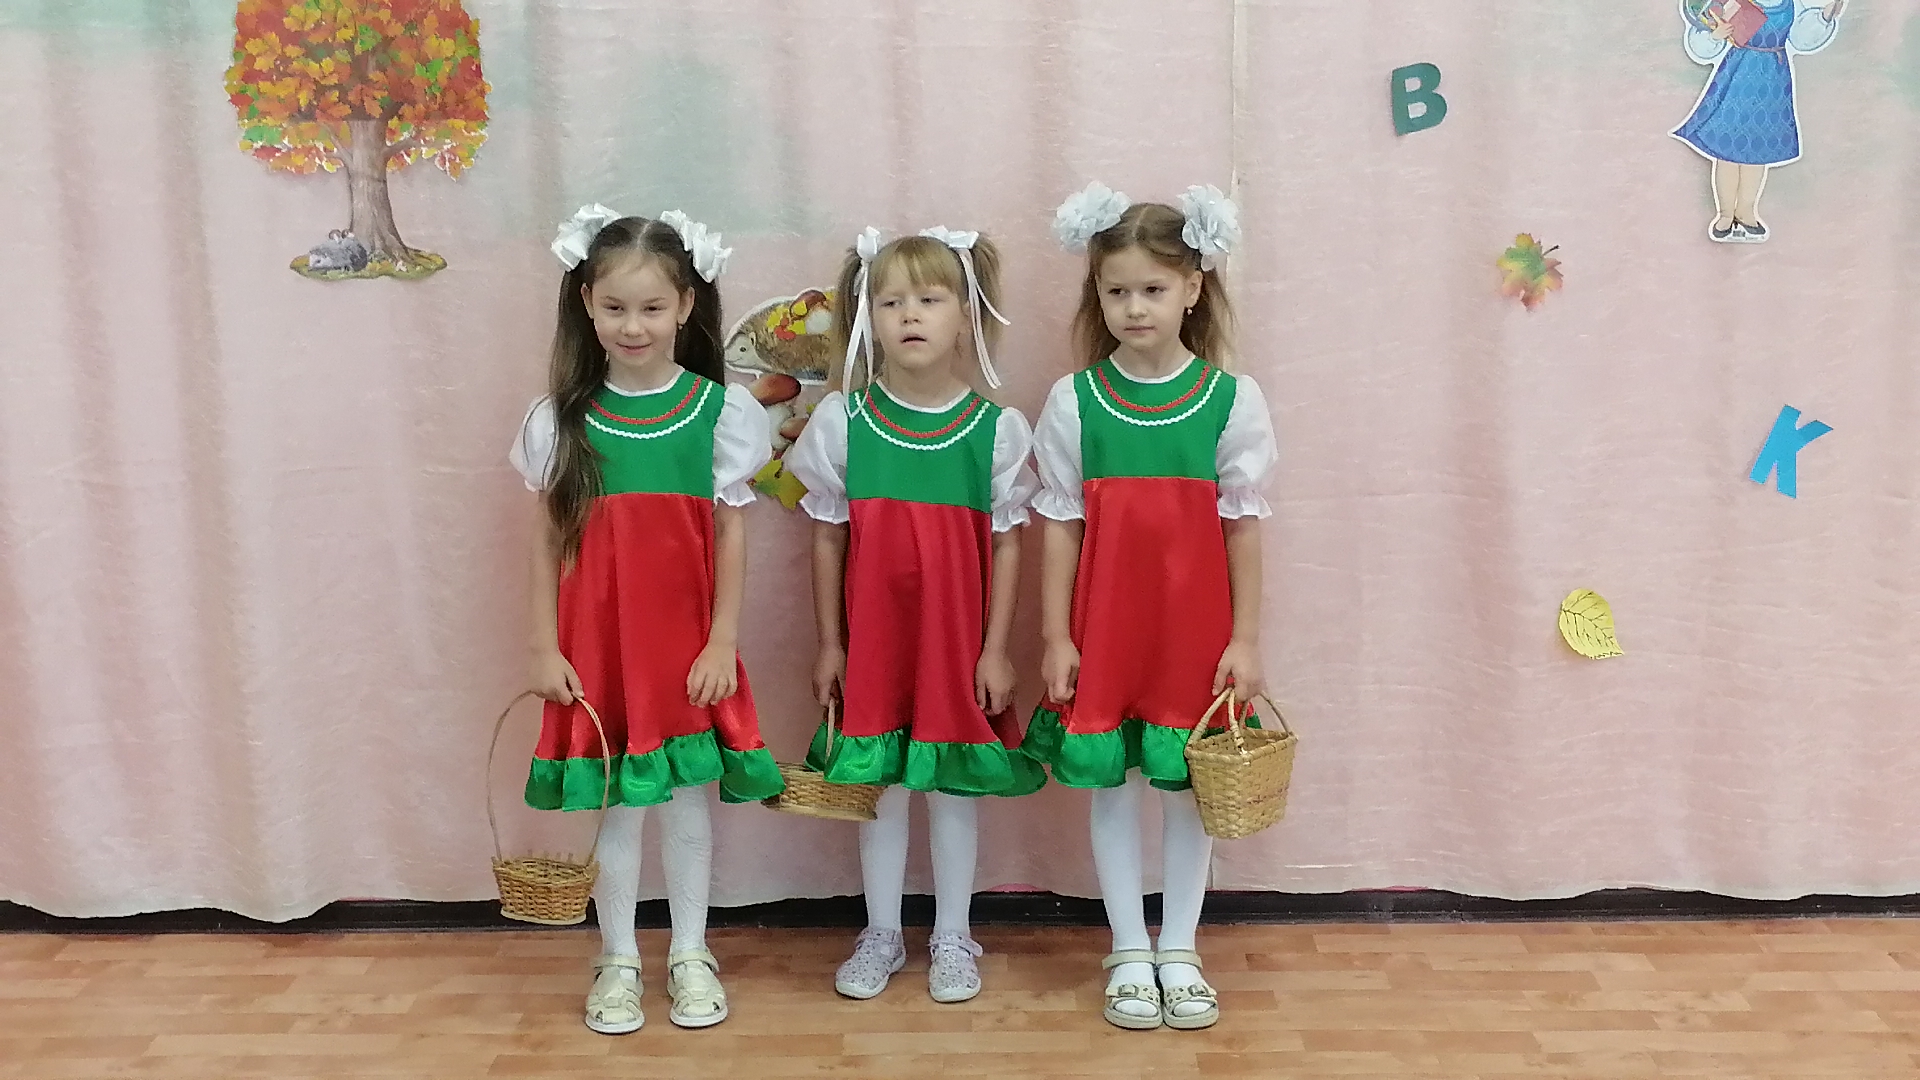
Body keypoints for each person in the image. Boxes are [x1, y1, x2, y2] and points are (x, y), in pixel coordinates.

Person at [510, 205, 783, 1035]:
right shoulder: (561, 419)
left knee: (686, 801)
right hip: (599, 645)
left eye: (653, 307)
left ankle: (691, 952)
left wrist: (723, 640)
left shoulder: (719, 414)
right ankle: (619, 957)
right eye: (616, 307)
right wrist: (544, 644)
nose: (634, 326)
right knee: (620, 806)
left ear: (687, 307)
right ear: (586, 305)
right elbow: (548, 538)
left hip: (684, 646)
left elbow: (731, 530)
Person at [1018, 182, 1277, 1031]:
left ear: (1193, 288)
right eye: (1117, 290)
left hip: (1193, 633)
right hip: (1107, 628)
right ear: (1097, 295)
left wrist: (1245, 638)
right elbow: (1060, 526)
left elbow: (1242, 529)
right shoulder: (1075, 401)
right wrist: (1056, 635)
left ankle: (1181, 949)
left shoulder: (1230, 400)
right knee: (1114, 788)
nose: (1134, 307)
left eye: (1153, 289)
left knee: (1188, 791)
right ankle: (1129, 948)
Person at [784, 225, 1044, 1004]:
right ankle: (882, 932)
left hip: (956, 645)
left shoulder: (994, 432)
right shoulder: (846, 423)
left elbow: (1008, 544)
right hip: (875, 645)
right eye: (890, 301)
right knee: (882, 789)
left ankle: (954, 934)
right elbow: (827, 537)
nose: (910, 315)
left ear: (966, 315)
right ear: (868, 318)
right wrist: (831, 643)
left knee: (954, 789)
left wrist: (995, 649)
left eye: (929, 299)